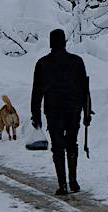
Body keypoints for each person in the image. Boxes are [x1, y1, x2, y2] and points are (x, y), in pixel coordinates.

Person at [31, 28, 92, 196]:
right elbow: (85, 90)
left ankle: (62, 184)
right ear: (64, 42)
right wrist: (86, 112)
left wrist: (35, 115)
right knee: (72, 143)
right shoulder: (77, 61)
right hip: (74, 110)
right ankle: (73, 181)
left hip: (53, 111)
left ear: (51, 43)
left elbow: (36, 92)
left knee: (58, 147)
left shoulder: (43, 63)